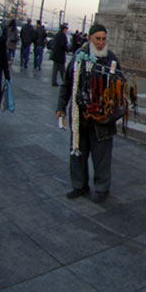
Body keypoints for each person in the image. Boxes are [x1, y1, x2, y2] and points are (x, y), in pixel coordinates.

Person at [57, 24, 123, 203]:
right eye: (97, 39)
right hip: (80, 116)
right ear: (90, 38)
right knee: (78, 151)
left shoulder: (111, 59)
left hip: (102, 119)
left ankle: (102, 189)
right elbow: (67, 84)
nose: (101, 43)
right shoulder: (79, 58)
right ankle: (79, 186)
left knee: (101, 156)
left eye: (103, 39)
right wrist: (60, 107)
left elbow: (120, 86)